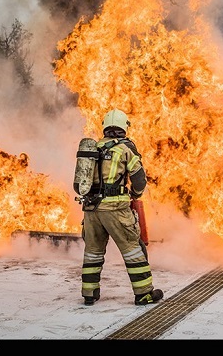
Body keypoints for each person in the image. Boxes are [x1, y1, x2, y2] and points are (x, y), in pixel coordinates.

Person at [78, 109, 163, 306]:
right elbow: (139, 180)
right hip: (115, 209)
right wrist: (135, 195)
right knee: (133, 249)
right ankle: (144, 293)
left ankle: (89, 293)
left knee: (93, 251)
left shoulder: (93, 149)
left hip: (91, 210)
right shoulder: (125, 149)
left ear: (105, 126)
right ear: (124, 127)